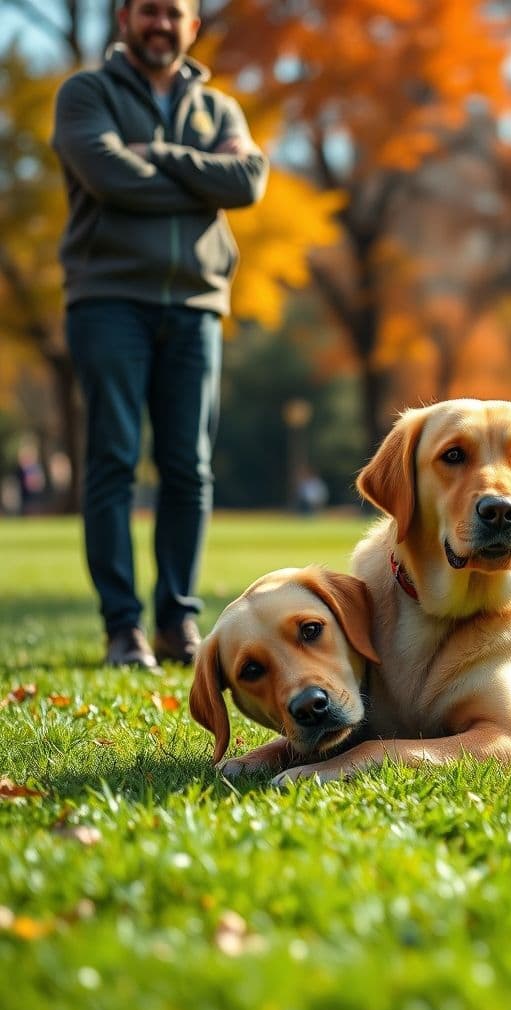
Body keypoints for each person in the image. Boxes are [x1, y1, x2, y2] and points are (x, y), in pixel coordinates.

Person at [52, 0, 268, 671]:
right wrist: (203, 177)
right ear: (124, 19)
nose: (160, 24)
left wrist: (162, 157)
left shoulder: (220, 110)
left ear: (192, 26)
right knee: (114, 460)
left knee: (189, 468)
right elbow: (109, 176)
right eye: (148, 10)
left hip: (197, 304)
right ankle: (124, 629)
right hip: (109, 300)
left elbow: (250, 182)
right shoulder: (85, 94)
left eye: (173, 13)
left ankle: (177, 622)